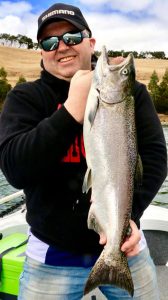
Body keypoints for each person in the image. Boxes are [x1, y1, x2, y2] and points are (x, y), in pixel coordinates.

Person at [0, 3, 167, 300]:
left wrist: (129, 217)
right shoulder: (25, 98)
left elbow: (154, 157)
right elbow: (15, 168)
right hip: (52, 256)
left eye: (72, 37)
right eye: (50, 42)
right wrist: (72, 109)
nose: (62, 46)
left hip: (126, 246)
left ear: (90, 42)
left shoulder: (132, 93)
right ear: (42, 52)